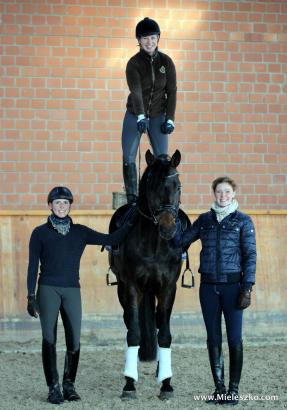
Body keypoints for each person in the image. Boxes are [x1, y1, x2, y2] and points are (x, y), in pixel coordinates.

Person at [26, 186, 135, 405]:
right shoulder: (39, 233)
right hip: (48, 288)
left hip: (72, 290)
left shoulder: (80, 232)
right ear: (50, 205)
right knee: (49, 339)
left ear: (69, 206)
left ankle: (69, 385)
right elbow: (32, 265)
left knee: (74, 340)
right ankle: (53, 387)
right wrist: (31, 295)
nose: (61, 206)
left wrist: (132, 220)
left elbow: (112, 239)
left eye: (65, 203)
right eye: (57, 203)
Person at [174, 176, 256, 405]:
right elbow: (182, 241)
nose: (223, 196)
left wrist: (247, 286)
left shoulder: (243, 221)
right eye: (219, 192)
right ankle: (219, 388)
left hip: (233, 287)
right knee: (213, 339)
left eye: (227, 192)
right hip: (208, 288)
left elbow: (250, 256)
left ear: (234, 194)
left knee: (234, 339)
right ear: (214, 193)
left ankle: (234, 389)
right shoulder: (204, 220)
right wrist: (170, 220)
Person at [122, 17, 177, 203]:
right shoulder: (133, 64)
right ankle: (131, 199)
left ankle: (163, 197)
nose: (149, 42)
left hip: (157, 115)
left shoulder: (166, 62)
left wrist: (170, 119)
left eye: (153, 37)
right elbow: (136, 91)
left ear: (158, 38)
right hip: (134, 114)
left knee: (162, 159)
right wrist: (139, 116)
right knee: (129, 156)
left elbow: (172, 91)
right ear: (138, 40)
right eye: (144, 38)